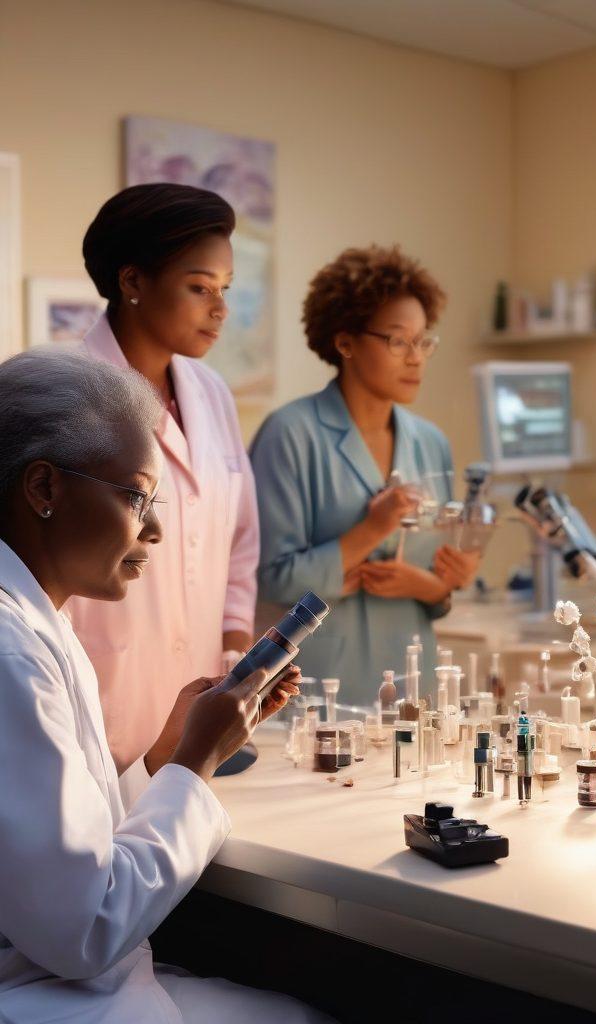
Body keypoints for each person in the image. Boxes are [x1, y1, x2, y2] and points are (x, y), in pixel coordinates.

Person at [0, 350, 329, 1023]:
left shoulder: (38, 622)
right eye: (136, 496)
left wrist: (161, 756)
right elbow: (86, 927)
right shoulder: (11, 652)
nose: (154, 529)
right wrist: (194, 763)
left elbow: (57, 844)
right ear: (43, 489)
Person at [66, 183, 259, 777]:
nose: (219, 309)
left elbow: (240, 540)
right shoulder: (67, 392)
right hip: (100, 703)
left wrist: (233, 645)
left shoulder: (211, 393)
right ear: (133, 282)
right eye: (200, 288)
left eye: (224, 290)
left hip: (198, 717)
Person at [250, 245, 479, 704]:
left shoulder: (430, 442)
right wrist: (371, 530)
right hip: (318, 689)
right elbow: (272, 579)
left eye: (424, 341)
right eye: (398, 341)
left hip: (414, 685)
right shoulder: (289, 435)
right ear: (345, 342)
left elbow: (432, 579)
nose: (416, 358)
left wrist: (441, 585)